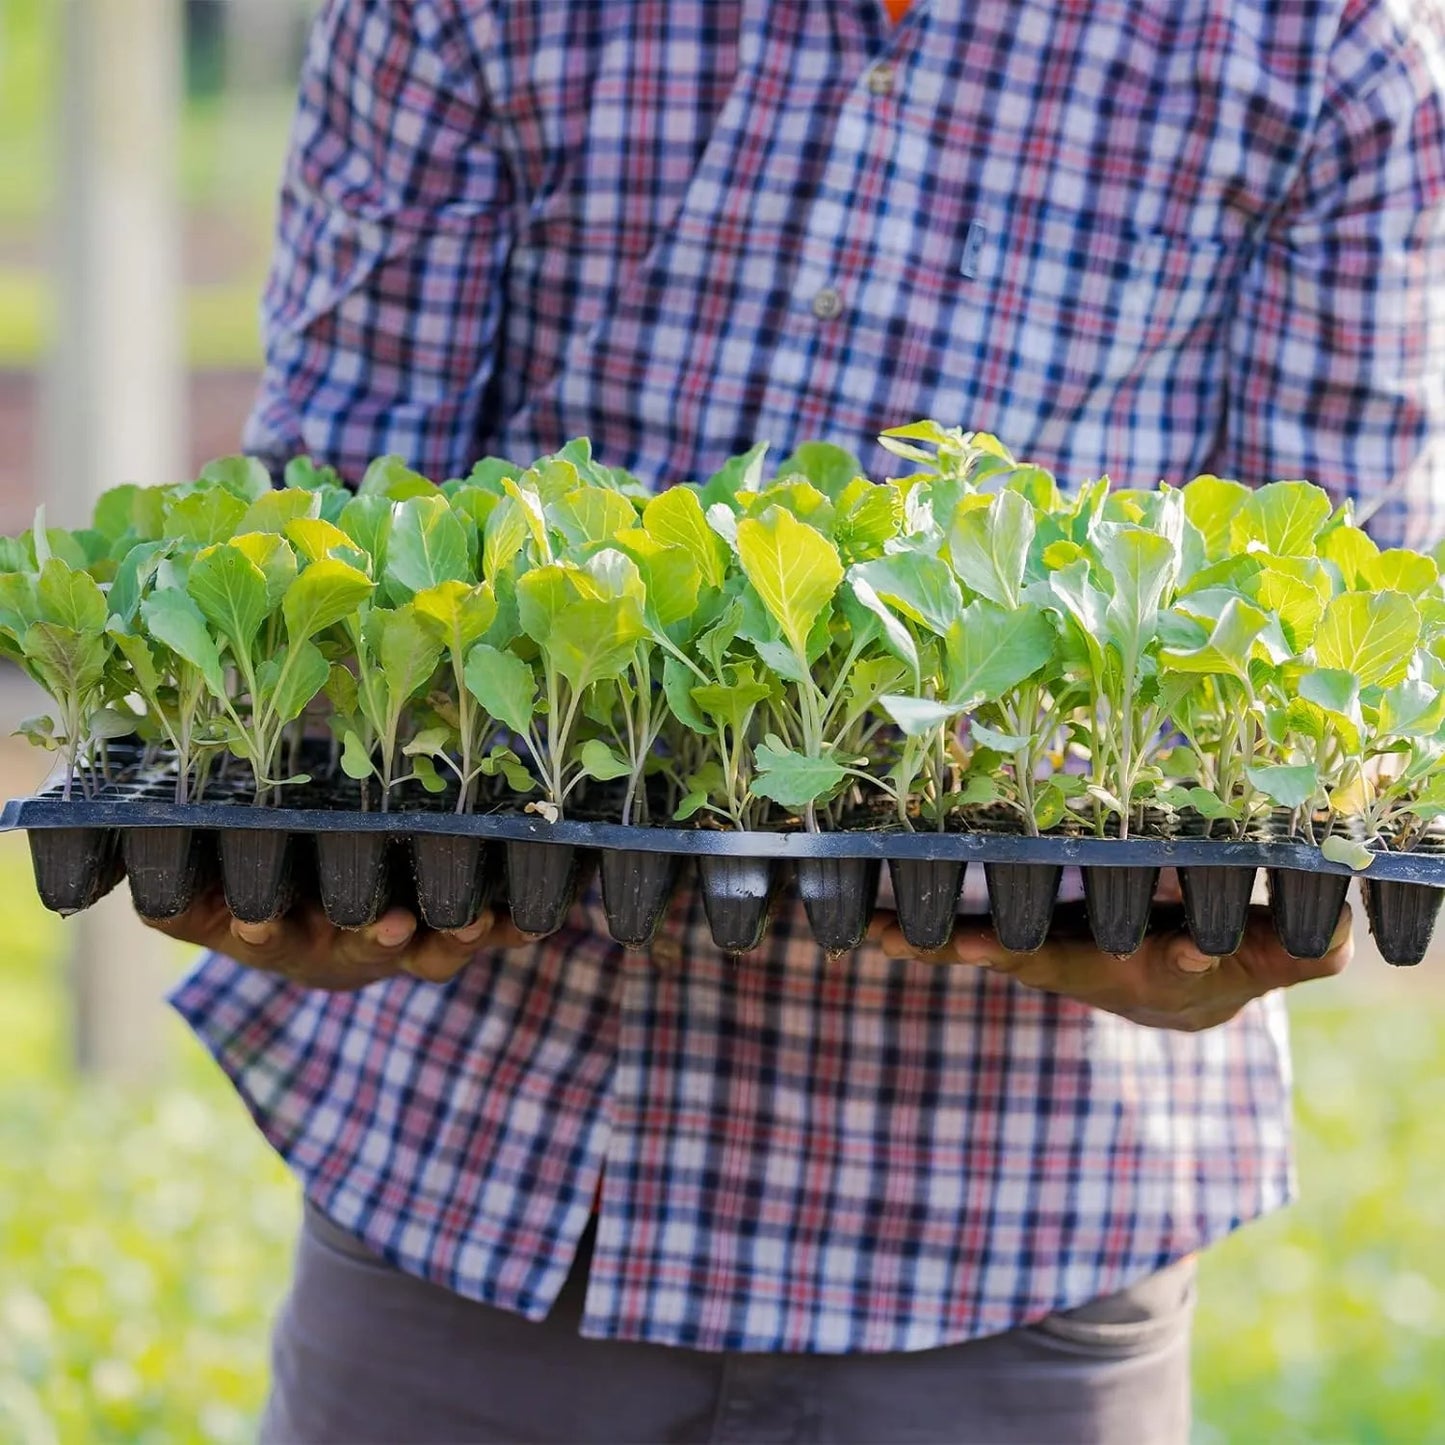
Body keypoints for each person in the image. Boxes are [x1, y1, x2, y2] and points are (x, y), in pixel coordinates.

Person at [152, 2, 1445, 1441]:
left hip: (1017, 1240)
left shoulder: (1320, 49)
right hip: (492, 1187)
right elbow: (329, 533)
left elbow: (1333, 634)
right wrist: (290, 837)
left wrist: (1254, 905)